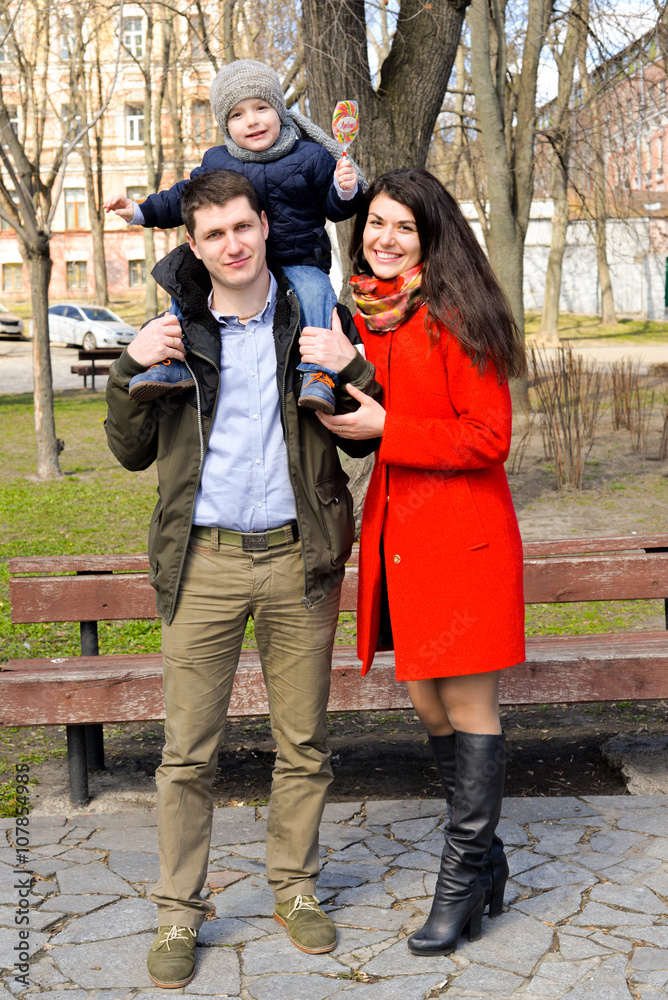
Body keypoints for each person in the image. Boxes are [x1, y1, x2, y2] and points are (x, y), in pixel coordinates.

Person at [104, 169, 380, 988]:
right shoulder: (174, 327)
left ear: (265, 225)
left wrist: (354, 365)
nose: (232, 243)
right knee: (188, 754)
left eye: (243, 226)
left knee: (304, 744)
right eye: (214, 232)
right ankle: (179, 912)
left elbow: (362, 435)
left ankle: (294, 890)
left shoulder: (310, 313)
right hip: (208, 561)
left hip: (300, 558)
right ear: (195, 243)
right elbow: (129, 450)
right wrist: (129, 365)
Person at [308, 168, 527, 957]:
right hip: (403, 542)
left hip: (463, 544)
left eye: (402, 227)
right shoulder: (372, 316)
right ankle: (490, 865)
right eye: (374, 224)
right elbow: (363, 421)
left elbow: (486, 437)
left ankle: (461, 883)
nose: (384, 238)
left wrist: (385, 426)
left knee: (467, 710)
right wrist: (336, 396)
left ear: (431, 236)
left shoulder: (460, 314)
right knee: (431, 712)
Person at [103, 58, 364, 414]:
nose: (252, 120)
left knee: (317, 292)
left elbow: (336, 208)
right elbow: (184, 197)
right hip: (234, 261)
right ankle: (171, 363)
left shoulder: (312, 156)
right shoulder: (217, 161)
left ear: (280, 111)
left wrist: (344, 189)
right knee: (185, 277)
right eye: (237, 115)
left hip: (298, 258)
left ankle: (318, 375)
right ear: (226, 125)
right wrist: (138, 210)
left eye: (261, 107)